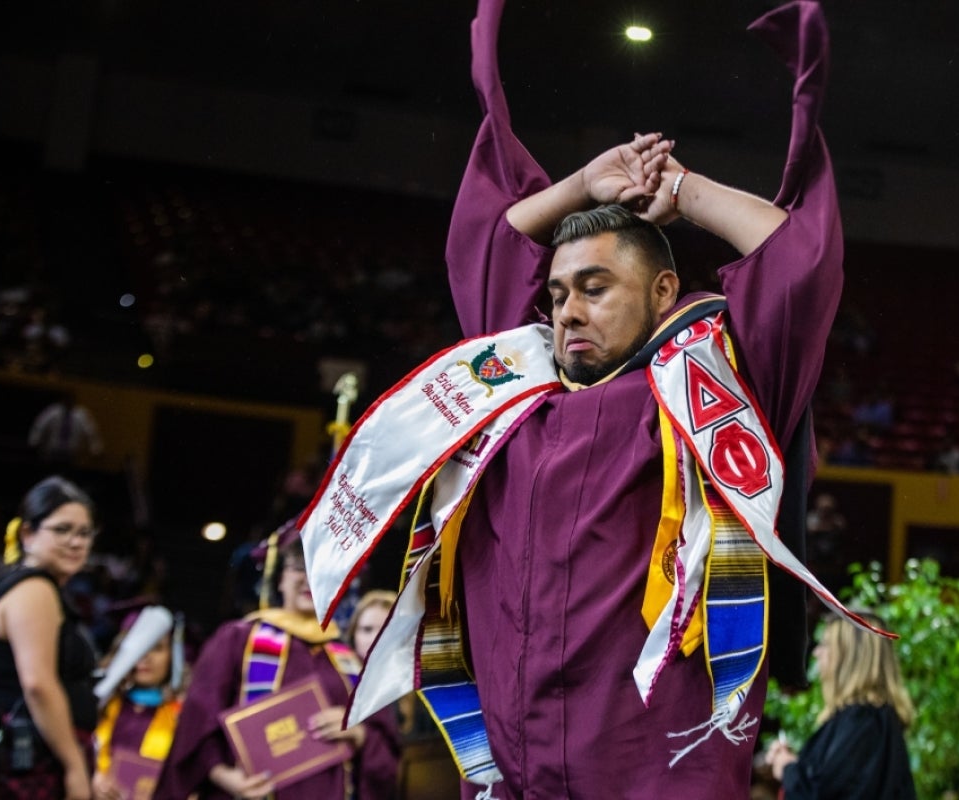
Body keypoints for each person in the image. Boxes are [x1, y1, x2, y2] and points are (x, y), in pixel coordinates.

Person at [298, 2, 874, 798]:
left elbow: (797, 261)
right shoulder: (512, 396)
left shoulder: (713, 388)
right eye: (559, 292)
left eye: (595, 287)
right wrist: (581, 184)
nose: (566, 308)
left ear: (665, 289)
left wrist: (682, 187)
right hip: (513, 776)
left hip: (656, 780)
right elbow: (488, 244)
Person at [151, 531, 399, 800]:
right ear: (279, 578)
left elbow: (386, 750)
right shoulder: (237, 639)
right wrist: (225, 776)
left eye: (322, 569)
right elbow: (196, 725)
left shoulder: (349, 660)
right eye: (298, 567)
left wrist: (359, 733)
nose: (309, 578)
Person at [0, 476, 99, 800]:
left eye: (84, 533)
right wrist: (75, 766)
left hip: (28, 754)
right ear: (28, 533)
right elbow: (38, 685)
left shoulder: (34, 587)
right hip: (22, 761)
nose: (76, 542)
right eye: (62, 530)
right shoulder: (34, 590)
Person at [764, 614, 917, 799]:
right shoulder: (871, 720)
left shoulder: (863, 722)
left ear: (849, 656)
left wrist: (788, 768)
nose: (816, 652)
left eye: (826, 644)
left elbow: (825, 794)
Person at [90, 606, 185, 800]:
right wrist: (92, 776)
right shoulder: (100, 705)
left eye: (157, 648)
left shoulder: (182, 716)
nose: (145, 657)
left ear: (172, 656)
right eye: (140, 647)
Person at [27, 391, 104, 466]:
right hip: (53, 449)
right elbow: (40, 426)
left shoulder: (81, 414)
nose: (68, 402)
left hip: (71, 452)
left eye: (70, 400)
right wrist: (34, 442)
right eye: (67, 400)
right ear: (63, 400)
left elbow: (91, 432)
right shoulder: (53, 411)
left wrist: (96, 449)